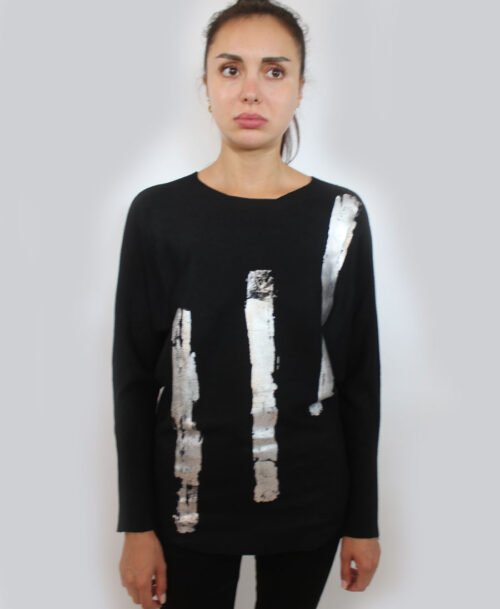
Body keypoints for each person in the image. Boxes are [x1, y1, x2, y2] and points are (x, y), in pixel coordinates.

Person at [112, 0, 382, 608]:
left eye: (275, 70)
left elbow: (360, 377)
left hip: (310, 498)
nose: (251, 91)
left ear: (300, 88)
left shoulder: (340, 215)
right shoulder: (157, 214)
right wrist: (136, 525)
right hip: (187, 496)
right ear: (206, 85)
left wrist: (363, 520)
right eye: (231, 69)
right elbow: (133, 378)